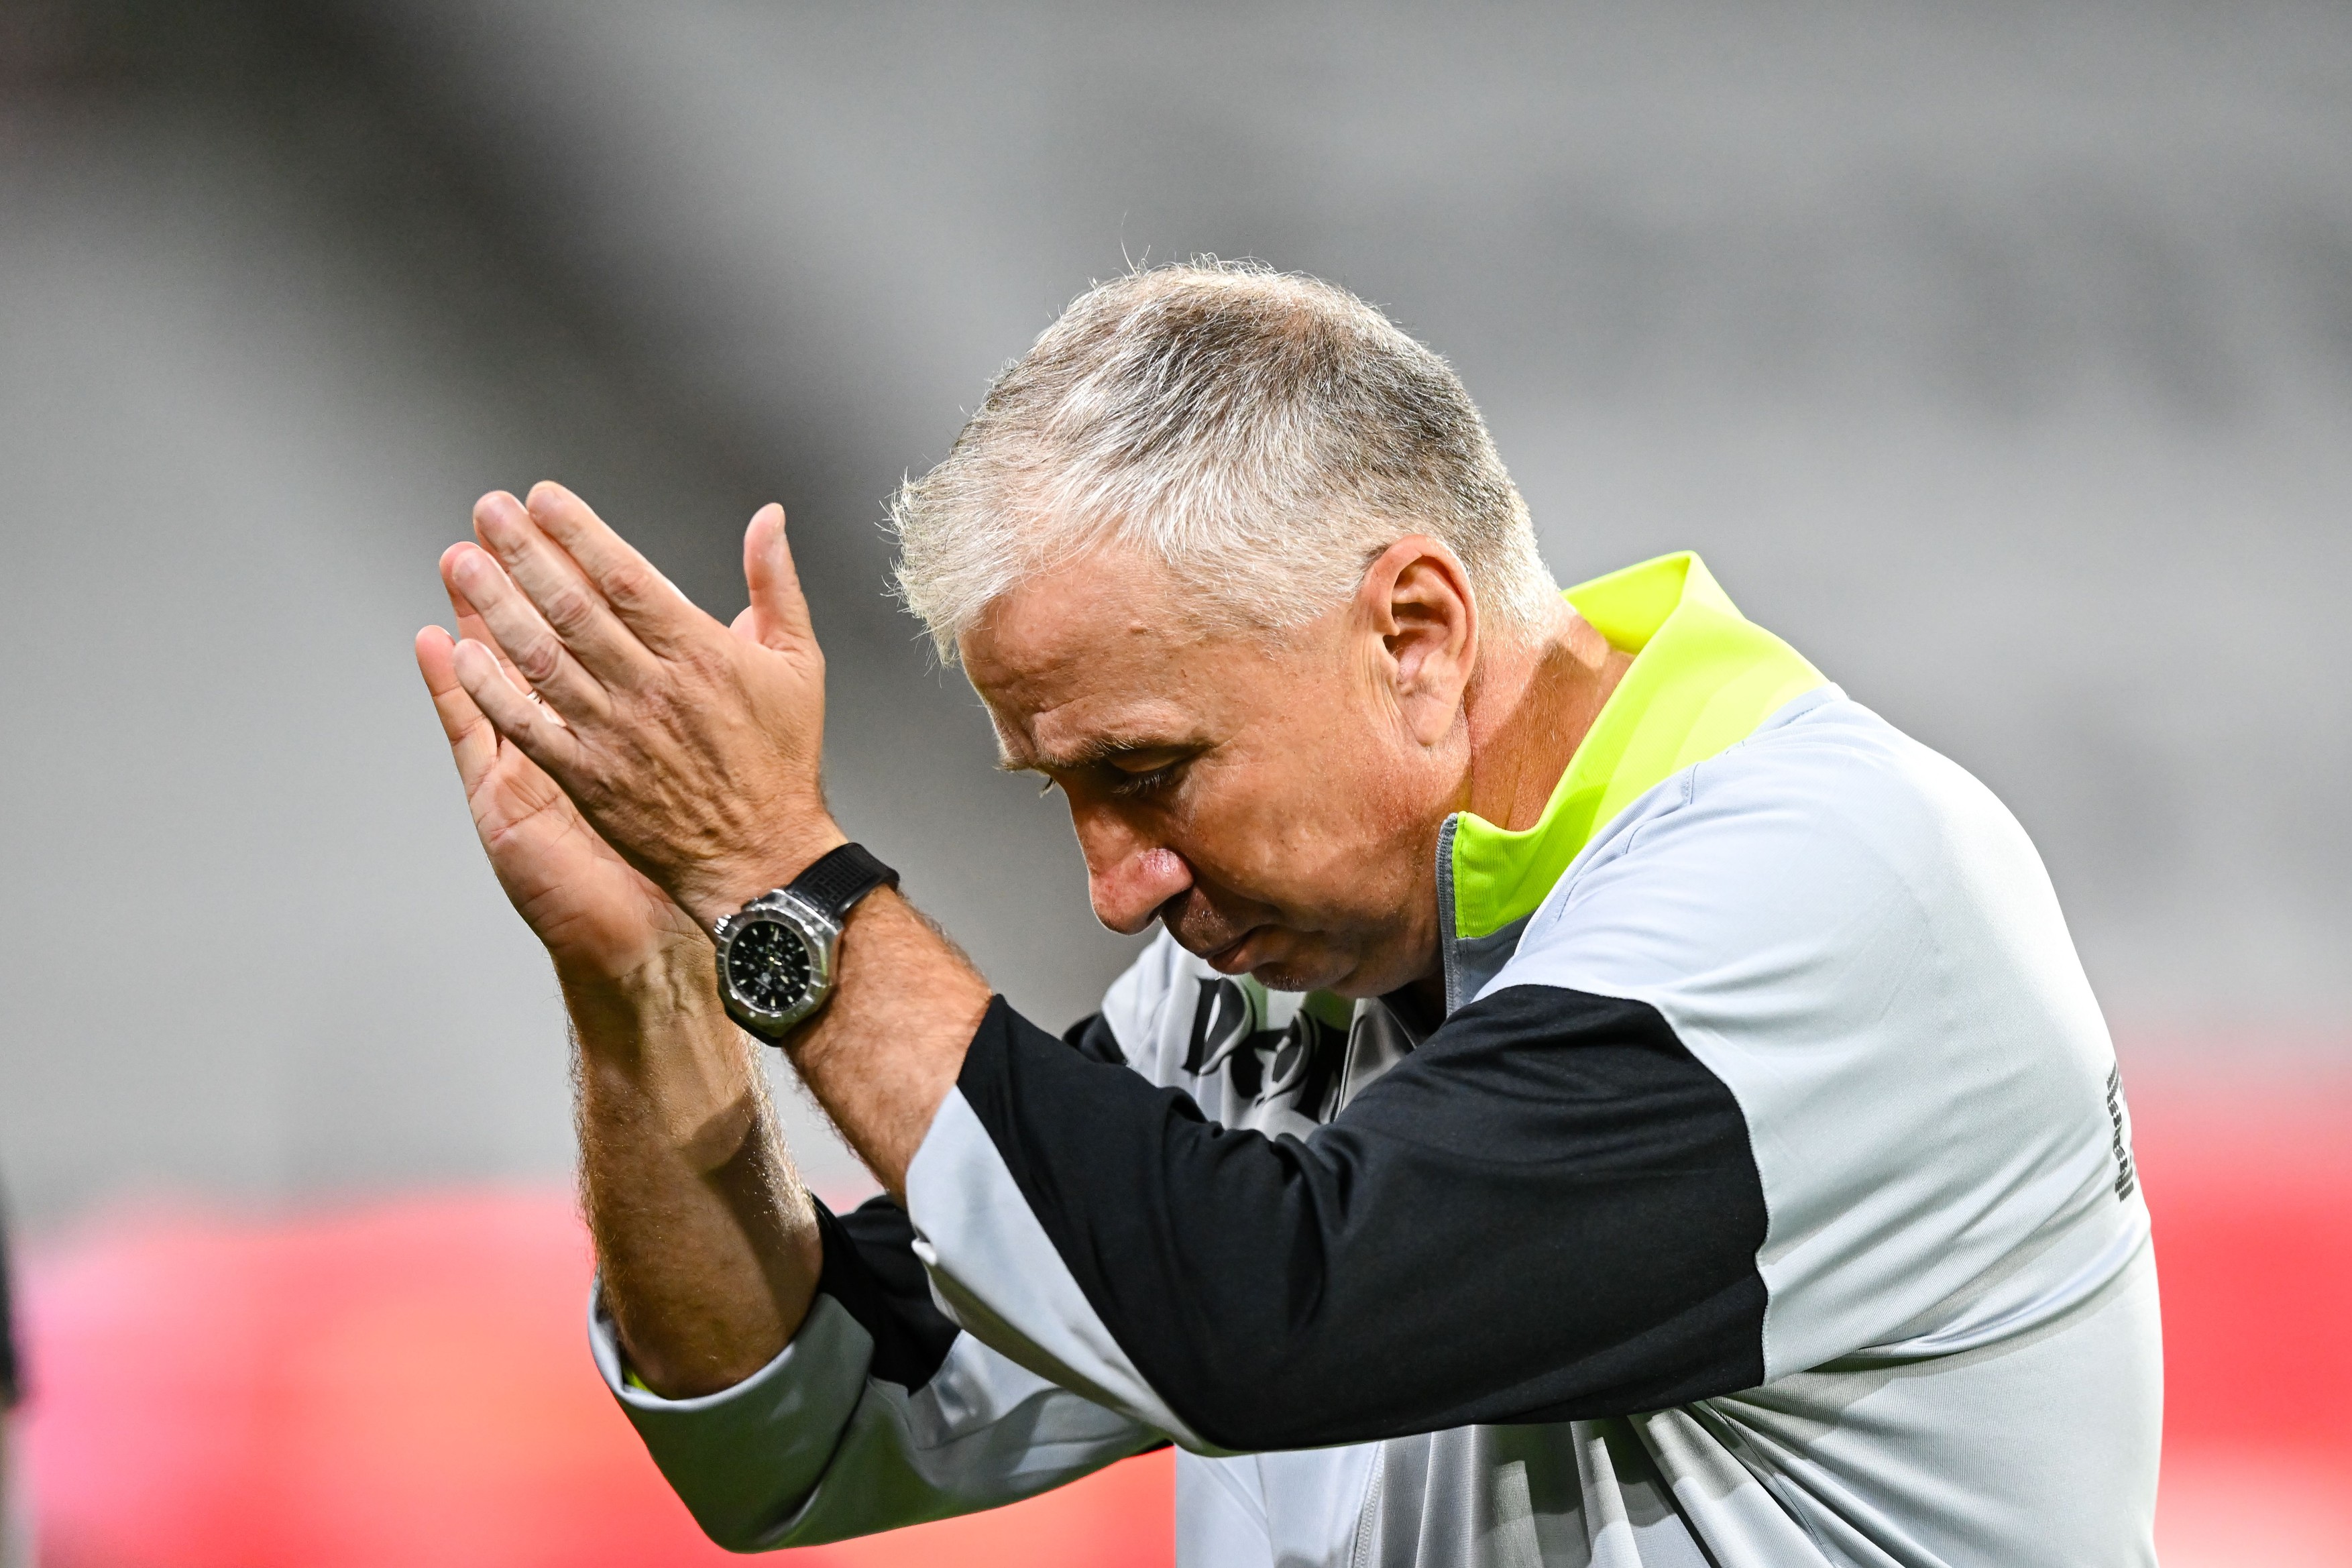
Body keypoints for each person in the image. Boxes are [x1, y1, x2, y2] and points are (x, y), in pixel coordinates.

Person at [416, 262, 2160, 1567]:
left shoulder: (1834, 890)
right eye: (1064, 790)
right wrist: (647, 984)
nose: (1116, 888)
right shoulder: (1289, 976)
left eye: (1148, 771)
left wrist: (776, 875)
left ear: (1415, 633)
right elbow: (805, 1427)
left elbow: (1263, 1313)